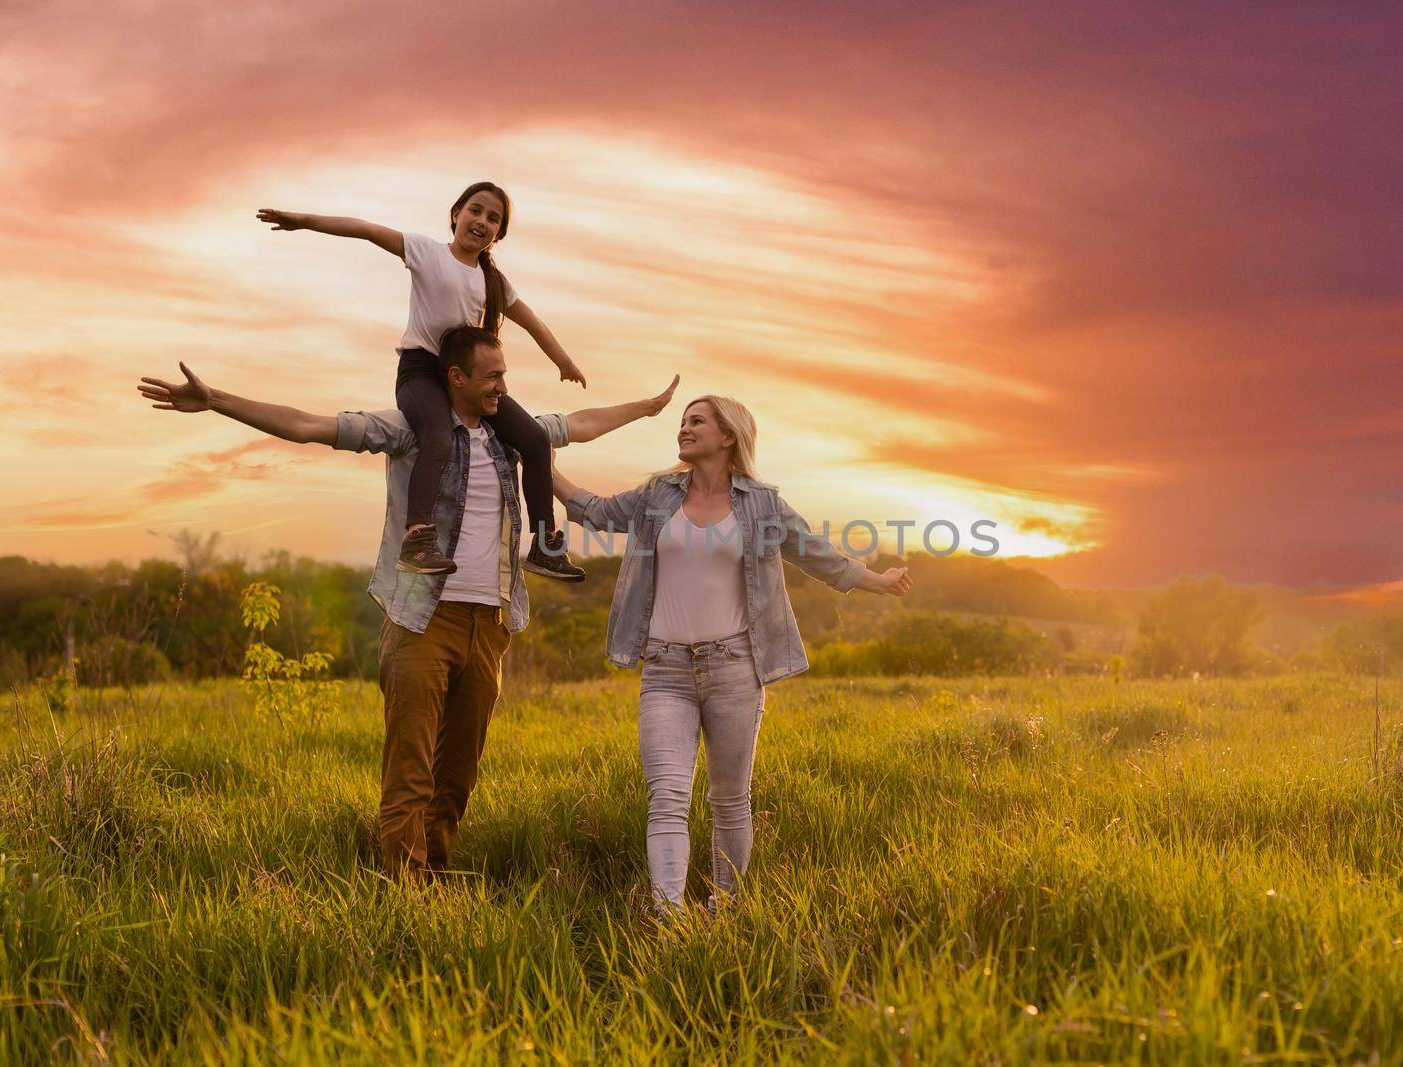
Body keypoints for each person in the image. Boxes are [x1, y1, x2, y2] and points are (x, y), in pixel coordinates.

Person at [138, 326, 679, 879]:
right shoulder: (411, 430)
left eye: (505, 375)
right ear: (456, 377)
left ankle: (435, 874)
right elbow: (308, 425)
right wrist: (217, 401)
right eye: (493, 376)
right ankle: (404, 889)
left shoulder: (510, 435)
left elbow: (581, 424)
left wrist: (650, 406)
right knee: (411, 769)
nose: (503, 387)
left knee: (458, 772)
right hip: (425, 620)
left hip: (490, 622)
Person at [551, 395, 913, 917]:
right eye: (681, 421)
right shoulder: (657, 494)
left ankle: (725, 913)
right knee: (667, 797)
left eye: (697, 420)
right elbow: (597, 513)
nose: (684, 428)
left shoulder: (762, 504)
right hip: (665, 670)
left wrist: (876, 580)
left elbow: (815, 552)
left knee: (729, 802)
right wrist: (546, 464)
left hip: (735, 668)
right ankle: (669, 917)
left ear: (728, 436)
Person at [256, 182, 586, 581]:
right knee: (438, 434)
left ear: (498, 234)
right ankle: (418, 539)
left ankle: (544, 547)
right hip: (421, 372)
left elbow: (532, 321)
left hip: (467, 379)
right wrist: (304, 221)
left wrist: (563, 360)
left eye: (493, 218)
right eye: (475, 211)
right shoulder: (426, 251)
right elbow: (365, 229)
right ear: (456, 215)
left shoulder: (492, 281)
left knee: (534, 439)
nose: (481, 221)